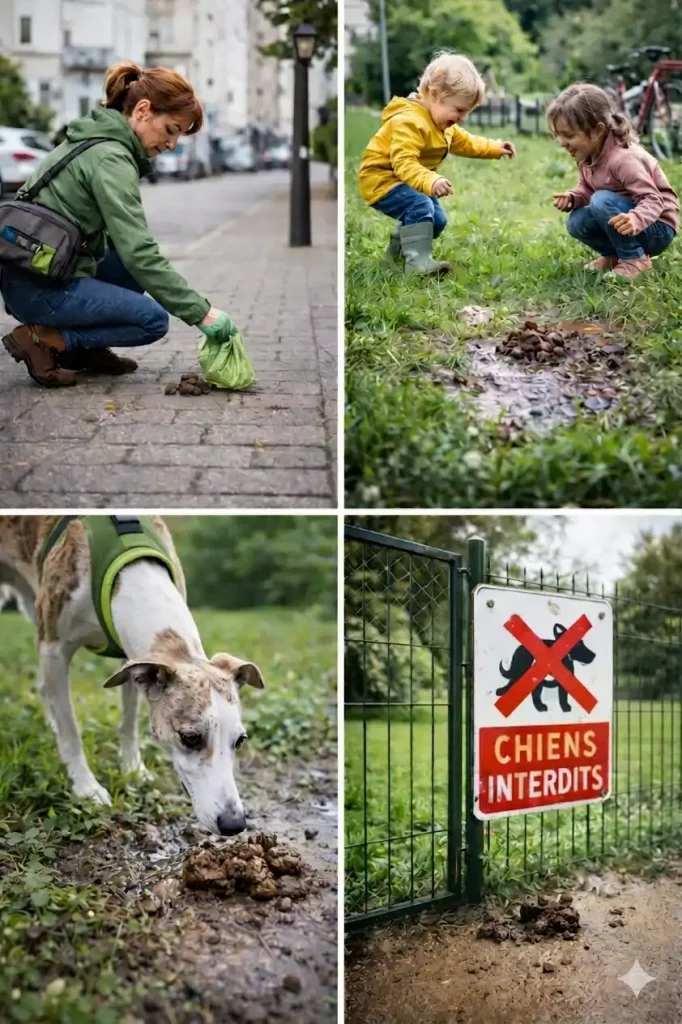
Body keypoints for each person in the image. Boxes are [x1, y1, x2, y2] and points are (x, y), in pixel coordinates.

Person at [1, 61, 235, 387]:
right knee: (152, 320)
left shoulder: (97, 138)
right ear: (142, 110)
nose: (171, 145)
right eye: (170, 130)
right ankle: (44, 339)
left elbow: (129, 251)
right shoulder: (112, 157)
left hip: (33, 273)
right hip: (38, 287)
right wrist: (202, 313)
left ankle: (85, 350)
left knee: (125, 262)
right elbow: (141, 251)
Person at [358, 51, 516, 276]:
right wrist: (431, 179)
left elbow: (467, 142)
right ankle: (417, 265)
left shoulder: (443, 124)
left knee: (437, 220)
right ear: (434, 95)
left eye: (467, 111)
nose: (463, 117)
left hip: (411, 180)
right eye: (460, 110)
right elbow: (403, 163)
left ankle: (397, 252)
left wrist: (495, 147)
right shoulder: (409, 122)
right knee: (421, 206)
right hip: (382, 178)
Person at [549, 82, 678, 279]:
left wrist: (635, 218)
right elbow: (587, 189)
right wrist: (574, 197)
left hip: (657, 227)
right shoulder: (588, 155)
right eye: (558, 135)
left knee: (601, 200)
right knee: (576, 221)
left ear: (597, 130)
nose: (561, 142)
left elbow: (653, 200)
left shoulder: (624, 159)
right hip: (626, 220)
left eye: (568, 135)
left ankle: (635, 259)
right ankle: (613, 256)